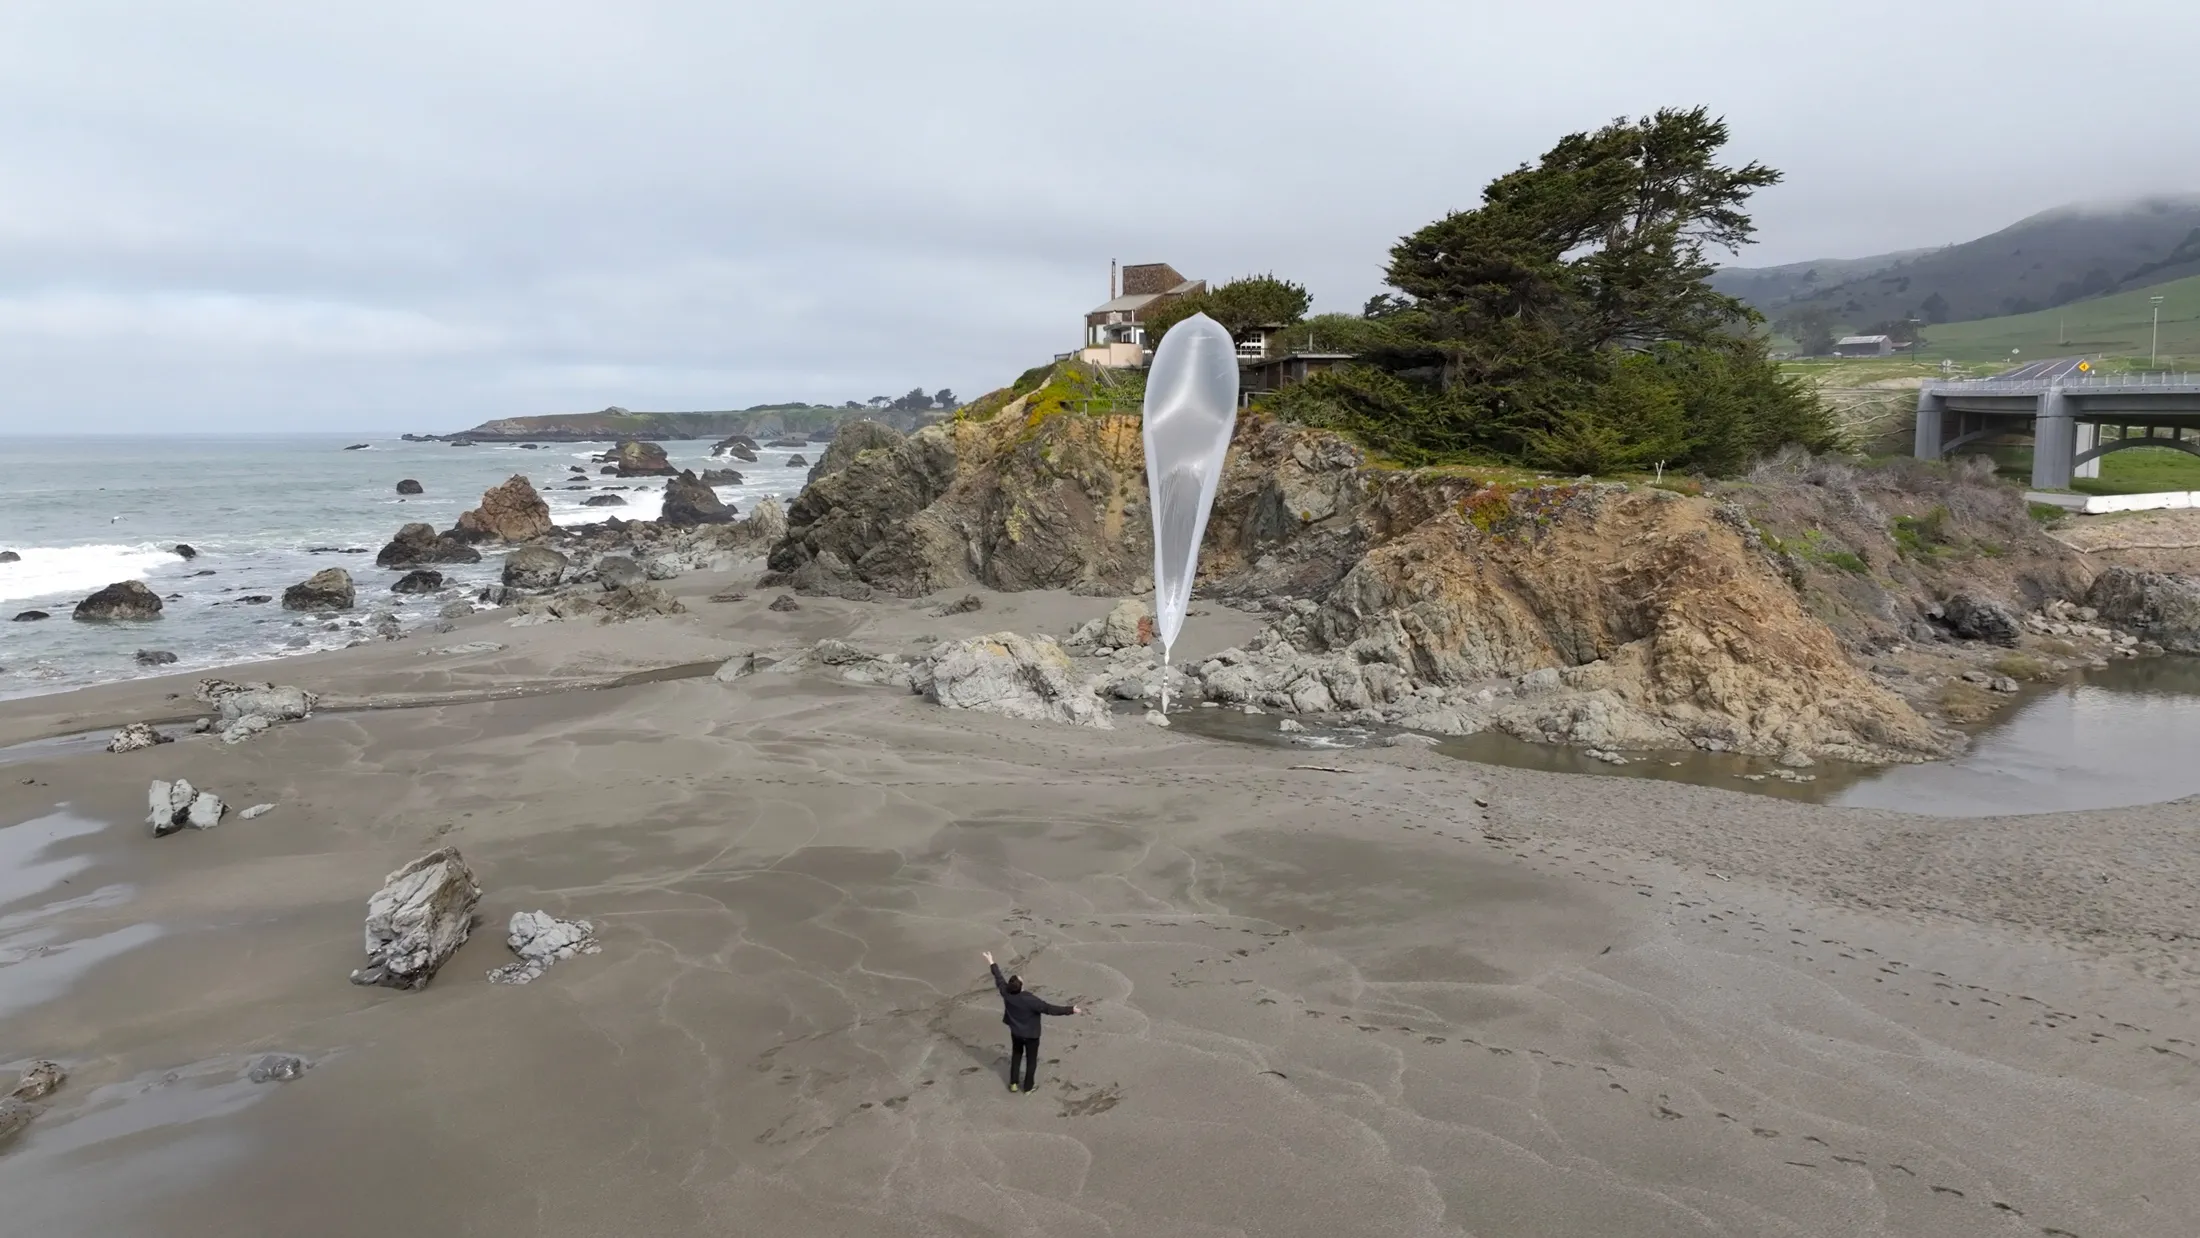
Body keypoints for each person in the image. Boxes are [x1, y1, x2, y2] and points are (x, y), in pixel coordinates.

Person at [982, 951, 1080, 1093]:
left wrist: (991, 961)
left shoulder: (1006, 993)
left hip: (1016, 1032)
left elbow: (999, 978)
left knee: (1016, 1056)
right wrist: (1070, 1010)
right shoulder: (1030, 1000)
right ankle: (1028, 1088)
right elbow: (1049, 1009)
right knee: (1031, 1060)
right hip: (1031, 1035)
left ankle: (1013, 1084)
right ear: (1021, 986)